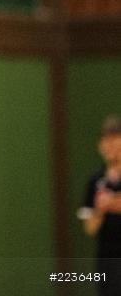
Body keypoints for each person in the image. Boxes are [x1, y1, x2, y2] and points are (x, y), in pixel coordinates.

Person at [80, 116, 121, 296]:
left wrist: (114, 203)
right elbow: (90, 228)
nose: (110, 145)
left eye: (115, 139)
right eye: (105, 140)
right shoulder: (95, 182)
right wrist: (100, 209)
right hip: (107, 261)